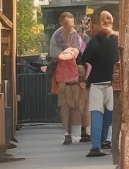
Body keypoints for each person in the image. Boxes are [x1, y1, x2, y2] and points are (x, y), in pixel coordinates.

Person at [77, 10, 119, 157]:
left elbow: (84, 58)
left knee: (97, 112)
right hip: (111, 82)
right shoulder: (115, 39)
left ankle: (97, 145)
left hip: (96, 82)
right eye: (105, 21)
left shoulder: (94, 41)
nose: (107, 24)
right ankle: (101, 140)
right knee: (108, 112)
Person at [49, 12, 89, 144]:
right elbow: (55, 55)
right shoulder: (57, 36)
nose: (70, 28)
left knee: (80, 104)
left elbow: (82, 51)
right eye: (67, 24)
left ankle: (81, 130)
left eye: (71, 24)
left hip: (75, 76)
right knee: (65, 105)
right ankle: (68, 132)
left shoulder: (76, 35)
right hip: (63, 77)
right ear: (62, 23)